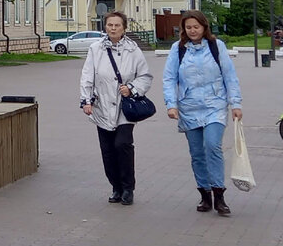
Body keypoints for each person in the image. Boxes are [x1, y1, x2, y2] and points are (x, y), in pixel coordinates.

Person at [162, 11, 243, 216]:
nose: (192, 31)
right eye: (188, 27)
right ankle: (204, 194)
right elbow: (169, 78)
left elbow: (230, 76)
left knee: (212, 146)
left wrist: (235, 103)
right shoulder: (178, 49)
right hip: (189, 107)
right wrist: (171, 104)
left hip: (214, 105)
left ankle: (219, 194)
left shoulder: (217, 47)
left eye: (196, 27)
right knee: (197, 153)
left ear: (204, 27)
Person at [79, 11, 153, 206]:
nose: (113, 28)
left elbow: (145, 76)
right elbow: (87, 76)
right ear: (105, 27)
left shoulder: (133, 50)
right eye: (110, 25)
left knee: (122, 144)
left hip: (124, 107)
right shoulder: (96, 49)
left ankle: (128, 187)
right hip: (101, 106)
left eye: (117, 25)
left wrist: (131, 88)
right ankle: (116, 187)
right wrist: (86, 100)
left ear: (124, 28)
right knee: (108, 150)